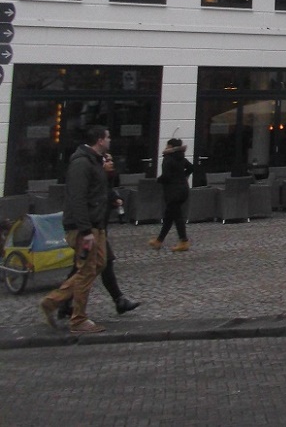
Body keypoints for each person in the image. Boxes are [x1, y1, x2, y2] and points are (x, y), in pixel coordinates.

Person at [38, 125, 111, 334]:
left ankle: (53, 301)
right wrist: (85, 230)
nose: (110, 140)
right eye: (108, 137)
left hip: (96, 224)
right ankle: (78, 319)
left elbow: (98, 191)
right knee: (87, 270)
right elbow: (77, 198)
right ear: (99, 140)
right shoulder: (82, 163)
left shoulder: (95, 161)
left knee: (99, 264)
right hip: (84, 228)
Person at [58, 152, 139, 321]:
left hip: (97, 229)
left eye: (112, 160)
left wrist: (114, 198)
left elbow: (105, 195)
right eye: (107, 160)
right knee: (99, 264)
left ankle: (63, 304)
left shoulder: (106, 180)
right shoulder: (91, 177)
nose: (111, 163)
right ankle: (60, 303)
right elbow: (90, 199)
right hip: (89, 230)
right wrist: (86, 230)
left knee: (86, 266)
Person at [149, 137, 194, 251]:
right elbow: (191, 167)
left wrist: (159, 180)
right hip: (183, 190)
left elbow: (166, 176)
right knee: (169, 217)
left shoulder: (168, 158)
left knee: (177, 217)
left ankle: (184, 241)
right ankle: (159, 240)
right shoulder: (181, 157)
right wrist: (183, 176)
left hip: (173, 192)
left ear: (170, 146)